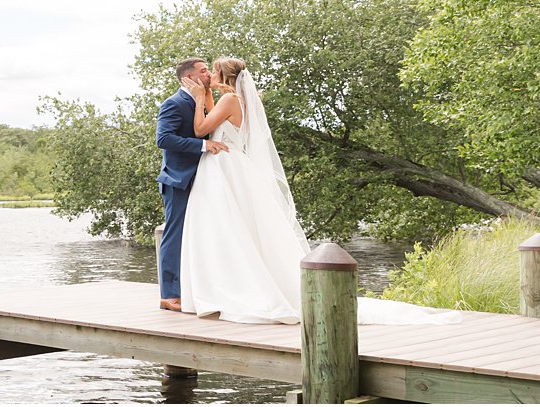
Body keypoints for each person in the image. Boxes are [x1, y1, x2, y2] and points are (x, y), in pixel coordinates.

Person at [178, 57, 459, 326]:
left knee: (228, 229)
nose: (209, 77)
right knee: (237, 230)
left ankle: (231, 290)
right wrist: (207, 97)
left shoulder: (229, 99)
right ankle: (228, 287)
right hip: (234, 166)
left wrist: (201, 98)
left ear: (224, 75)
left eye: (212, 71)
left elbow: (201, 128)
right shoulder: (239, 100)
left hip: (225, 167)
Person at [154, 57, 229, 311]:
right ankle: (169, 294)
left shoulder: (202, 100)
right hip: (179, 179)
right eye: (204, 70)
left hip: (204, 179)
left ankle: (197, 288)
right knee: (174, 236)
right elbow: (164, 139)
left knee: (201, 235)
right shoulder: (174, 103)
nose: (209, 74)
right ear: (189, 77)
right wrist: (203, 145)